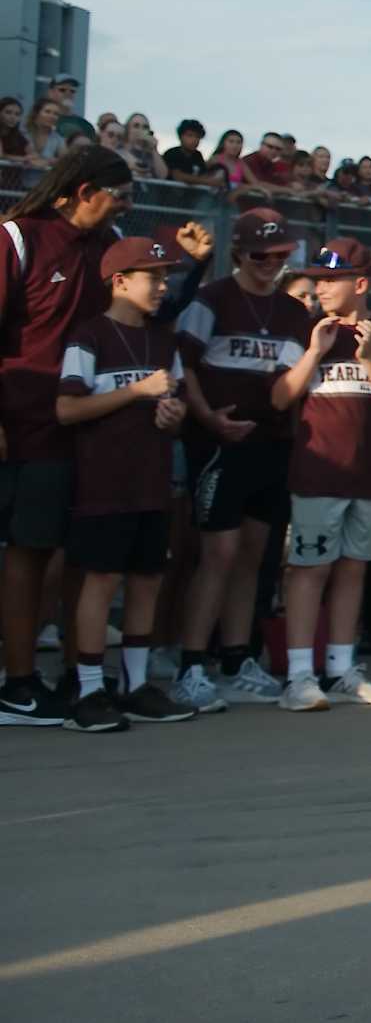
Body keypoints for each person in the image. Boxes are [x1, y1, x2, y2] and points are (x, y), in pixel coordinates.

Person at [0, 148, 135, 727]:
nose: (123, 207)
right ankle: (18, 683)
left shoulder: (111, 246)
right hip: (26, 426)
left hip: (92, 428)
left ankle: (73, 677)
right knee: (28, 553)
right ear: (84, 192)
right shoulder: (18, 238)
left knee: (78, 553)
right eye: (118, 196)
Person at [53, 238, 200, 731]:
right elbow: (67, 408)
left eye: (165, 276)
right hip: (103, 484)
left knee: (147, 580)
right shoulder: (88, 336)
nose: (163, 286)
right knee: (100, 582)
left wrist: (173, 412)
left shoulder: (164, 339)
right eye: (152, 276)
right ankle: (90, 689)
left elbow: (173, 413)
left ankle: (134, 685)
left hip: (153, 481)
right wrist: (135, 390)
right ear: (119, 281)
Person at [169, 208, 312, 711]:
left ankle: (235, 659)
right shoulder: (211, 300)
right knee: (218, 555)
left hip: (271, 442)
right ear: (238, 255)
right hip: (217, 443)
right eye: (260, 255)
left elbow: (290, 385)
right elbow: (181, 364)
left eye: (280, 255)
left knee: (254, 553)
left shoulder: (295, 312)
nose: (270, 263)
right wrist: (208, 418)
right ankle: (191, 664)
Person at [268, 238, 371, 711]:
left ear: (361, 284)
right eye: (319, 279)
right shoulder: (305, 331)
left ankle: (340, 669)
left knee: (353, 569)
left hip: (368, 474)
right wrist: (314, 353)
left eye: (333, 279)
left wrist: (369, 357)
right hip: (317, 473)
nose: (322, 287)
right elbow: (278, 397)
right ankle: (298, 676)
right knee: (309, 571)